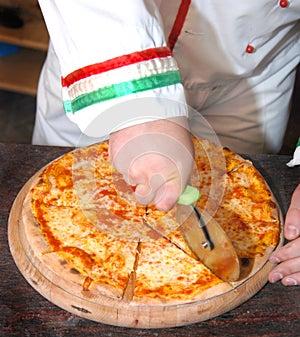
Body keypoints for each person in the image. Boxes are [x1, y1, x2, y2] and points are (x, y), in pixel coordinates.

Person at [33, 1, 300, 286]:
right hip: (100, 56)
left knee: (238, 214)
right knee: (64, 203)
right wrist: (136, 102)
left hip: (254, 77)